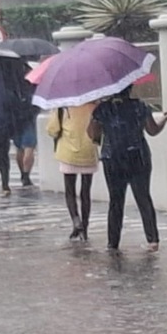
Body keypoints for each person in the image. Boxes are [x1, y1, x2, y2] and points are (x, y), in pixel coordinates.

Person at [88, 87, 167, 252]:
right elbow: (152, 130)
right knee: (143, 198)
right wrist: (164, 119)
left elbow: (92, 134)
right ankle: (152, 240)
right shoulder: (139, 106)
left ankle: (113, 243)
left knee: (115, 201)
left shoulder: (102, 109)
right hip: (138, 156)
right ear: (130, 88)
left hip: (112, 158)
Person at [47, 103, 99, 240]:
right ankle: (85, 229)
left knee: (70, 190)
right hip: (89, 151)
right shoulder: (94, 105)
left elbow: (52, 130)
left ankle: (76, 220)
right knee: (85, 192)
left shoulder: (62, 106)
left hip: (67, 153)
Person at [13, 82, 39, 187]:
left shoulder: (12, 85)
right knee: (29, 148)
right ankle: (26, 174)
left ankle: (22, 173)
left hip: (16, 122)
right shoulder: (32, 89)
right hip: (29, 121)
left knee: (19, 149)